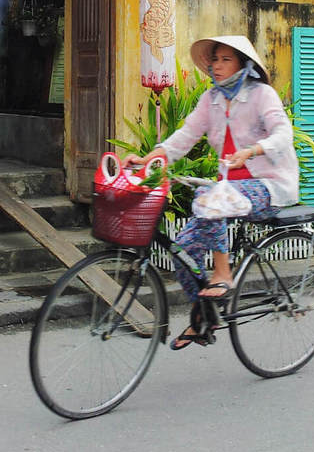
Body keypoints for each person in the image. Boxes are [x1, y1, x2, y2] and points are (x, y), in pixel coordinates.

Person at [123, 35, 299, 349]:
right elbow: (185, 135)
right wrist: (148, 159)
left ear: (243, 65)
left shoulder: (262, 95)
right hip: (227, 189)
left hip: (269, 185)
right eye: (214, 60)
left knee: (215, 197)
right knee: (183, 249)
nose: (216, 66)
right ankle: (202, 315)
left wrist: (253, 150)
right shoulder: (211, 100)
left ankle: (223, 273)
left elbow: (283, 133)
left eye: (225, 60)